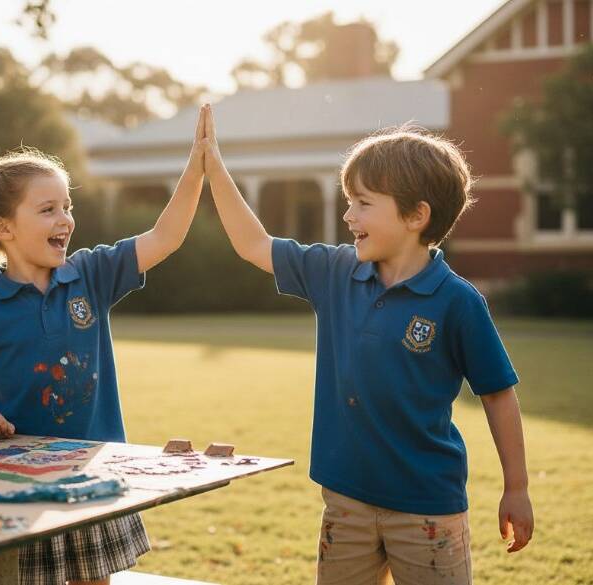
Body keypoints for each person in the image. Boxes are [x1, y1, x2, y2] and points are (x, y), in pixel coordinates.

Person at [200, 104, 533, 584]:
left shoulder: (458, 302)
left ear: (417, 215)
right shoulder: (335, 271)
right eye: (348, 200)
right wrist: (215, 167)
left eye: (362, 202)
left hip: (427, 509)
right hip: (346, 500)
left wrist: (517, 488)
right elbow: (254, 244)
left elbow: (498, 395)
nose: (348, 213)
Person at [0, 107, 209, 585]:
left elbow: (165, 237)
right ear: (4, 228)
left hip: (91, 471)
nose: (65, 218)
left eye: (67, 206)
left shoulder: (90, 274)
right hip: (20, 482)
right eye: (48, 210)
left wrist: (197, 165)